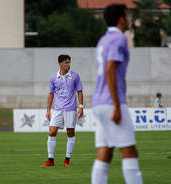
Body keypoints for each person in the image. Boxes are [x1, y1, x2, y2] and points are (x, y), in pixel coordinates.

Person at [91, 4, 143, 184]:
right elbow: (110, 70)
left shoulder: (103, 40)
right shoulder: (119, 39)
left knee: (104, 153)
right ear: (121, 19)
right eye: (127, 16)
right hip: (110, 102)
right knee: (130, 151)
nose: (128, 19)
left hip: (98, 102)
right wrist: (115, 104)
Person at [41, 54, 84, 167]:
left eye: (69, 62)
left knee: (70, 133)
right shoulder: (53, 78)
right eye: (66, 62)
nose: (68, 64)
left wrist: (81, 106)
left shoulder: (75, 76)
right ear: (60, 64)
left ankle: (67, 160)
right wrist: (48, 110)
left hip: (71, 109)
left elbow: (79, 91)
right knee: (52, 132)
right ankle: (50, 159)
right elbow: (51, 94)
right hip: (57, 109)